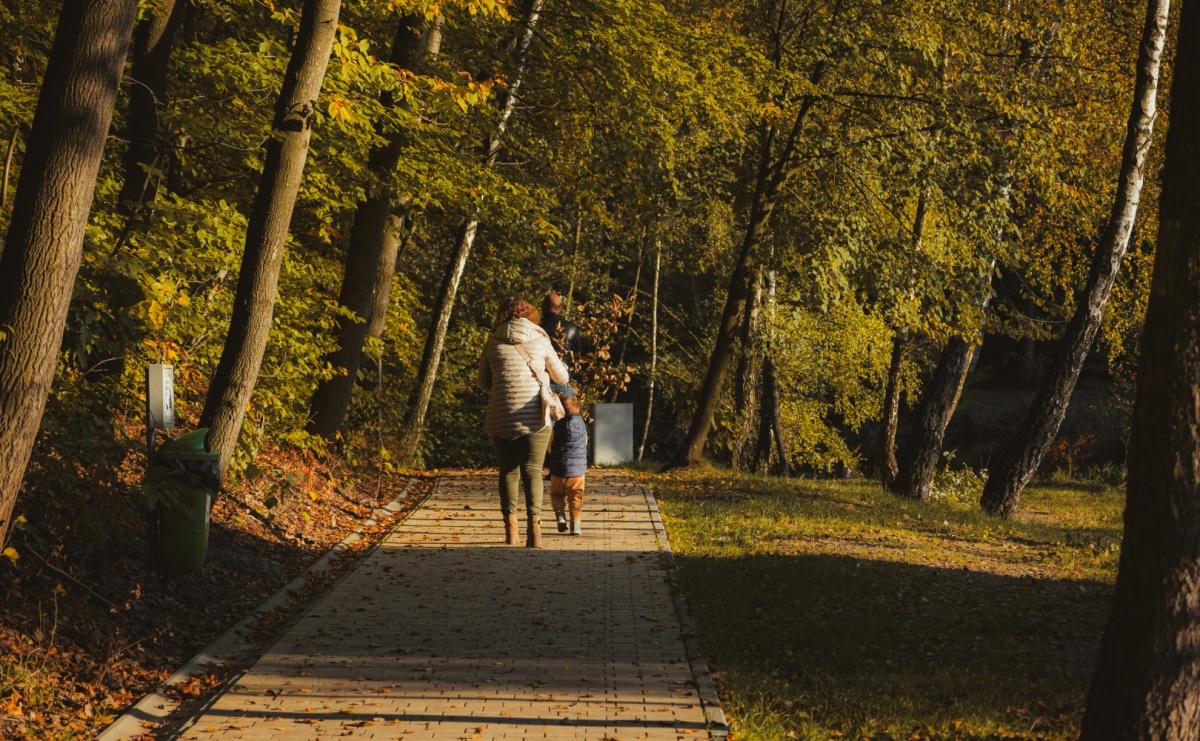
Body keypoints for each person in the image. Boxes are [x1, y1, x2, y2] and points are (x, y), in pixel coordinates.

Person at [478, 297, 569, 548]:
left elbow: (484, 383)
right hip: (535, 414)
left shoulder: (493, 341)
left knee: (508, 471)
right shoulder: (540, 339)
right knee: (532, 470)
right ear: (530, 315)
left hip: (501, 414)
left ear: (502, 316)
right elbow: (561, 376)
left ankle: (511, 533)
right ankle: (535, 533)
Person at [548, 394, 588, 535]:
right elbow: (585, 443)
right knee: (576, 496)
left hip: (558, 469)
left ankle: (560, 517)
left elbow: (550, 446)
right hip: (577, 471)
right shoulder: (583, 425)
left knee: (557, 494)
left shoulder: (558, 426)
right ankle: (576, 525)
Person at [540, 293, 582, 397]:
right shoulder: (571, 328)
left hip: (540, 380)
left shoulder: (535, 327)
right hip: (563, 381)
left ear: (543, 306)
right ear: (560, 308)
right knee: (574, 412)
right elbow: (578, 355)